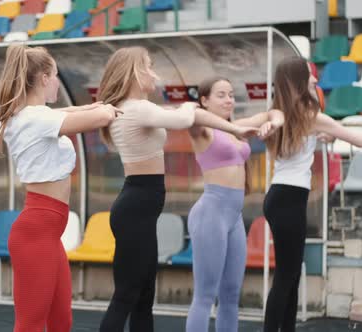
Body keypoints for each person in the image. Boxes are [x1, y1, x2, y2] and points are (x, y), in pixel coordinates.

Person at [97, 46, 259, 332]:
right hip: (136, 207)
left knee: (143, 298)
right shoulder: (138, 108)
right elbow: (186, 119)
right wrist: (190, 103)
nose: (154, 73)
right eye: (148, 66)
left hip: (140, 208)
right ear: (134, 72)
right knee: (126, 296)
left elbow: (191, 117)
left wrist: (231, 128)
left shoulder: (137, 109)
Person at [0, 44, 120, 332]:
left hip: (48, 233)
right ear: (43, 78)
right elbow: (98, 118)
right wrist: (110, 109)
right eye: (55, 76)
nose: (56, 83)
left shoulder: (27, 115)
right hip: (37, 232)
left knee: (61, 321)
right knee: (31, 323)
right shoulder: (36, 119)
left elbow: (71, 110)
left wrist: (94, 106)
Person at [263, 56, 362, 332]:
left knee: (290, 274)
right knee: (286, 275)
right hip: (287, 199)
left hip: (282, 197)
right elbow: (355, 137)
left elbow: (308, 136)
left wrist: (325, 135)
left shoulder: (285, 113)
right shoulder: (311, 117)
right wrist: (330, 132)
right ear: (296, 81)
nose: (316, 80)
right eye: (309, 76)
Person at [186, 77, 284, 332]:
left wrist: (272, 124)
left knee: (230, 296)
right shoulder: (203, 130)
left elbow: (275, 112)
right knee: (205, 295)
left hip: (234, 217)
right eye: (221, 95)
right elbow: (191, 115)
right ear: (204, 100)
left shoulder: (235, 127)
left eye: (231, 94)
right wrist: (237, 129)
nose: (229, 99)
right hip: (211, 213)